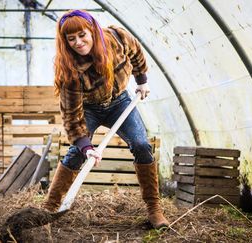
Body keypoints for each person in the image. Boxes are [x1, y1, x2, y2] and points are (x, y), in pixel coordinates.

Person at [42, 9, 169, 229]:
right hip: (89, 109)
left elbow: (137, 53)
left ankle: (154, 209)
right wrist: (86, 147)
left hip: (120, 102)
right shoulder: (69, 70)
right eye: (71, 39)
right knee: (75, 154)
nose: (78, 42)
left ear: (92, 30)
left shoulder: (117, 39)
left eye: (82, 35)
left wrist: (142, 80)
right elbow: (72, 116)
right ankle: (48, 209)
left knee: (141, 145)